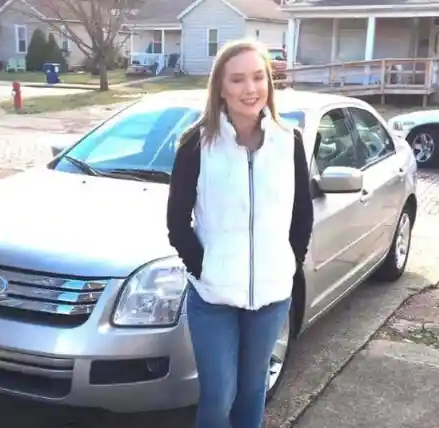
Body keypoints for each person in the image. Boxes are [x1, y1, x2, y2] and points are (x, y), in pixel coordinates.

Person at [166, 39, 314, 428]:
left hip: (271, 297)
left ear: (269, 81)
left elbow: (302, 215)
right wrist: (204, 269)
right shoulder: (197, 144)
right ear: (220, 87)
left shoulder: (290, 142)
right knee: (219, 398)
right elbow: (177, 221)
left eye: (258, 77)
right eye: (237, 79)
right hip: (213, 298)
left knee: (253, 394)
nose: (250, 89)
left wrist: (288, 266)